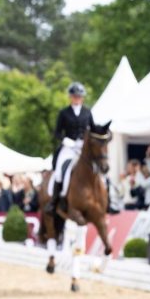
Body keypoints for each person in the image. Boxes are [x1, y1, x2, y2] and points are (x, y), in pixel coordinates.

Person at [49, 82, 98, 215]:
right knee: (60, 170)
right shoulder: (64, 113)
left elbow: (93, 129)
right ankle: (55, 200)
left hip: (83, 147)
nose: (77, 99)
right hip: (69, 147)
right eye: (74, 96)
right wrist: (65, 140)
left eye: (79, 96)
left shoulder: (87, 113)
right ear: (70, 97)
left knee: (98, 166)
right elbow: (57, 132)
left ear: (82, 98)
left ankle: (107, 199)